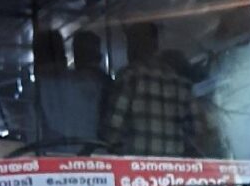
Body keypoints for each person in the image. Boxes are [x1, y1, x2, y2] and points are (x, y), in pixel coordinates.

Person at [102, 22, 219, 157]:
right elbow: (199, 134)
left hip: (134, 167)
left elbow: (112, 130)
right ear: (155, 45)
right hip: (173, 168)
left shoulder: (129, 78)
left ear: (132, 46)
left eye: (131, 43)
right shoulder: (181, 84)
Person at [32, 28, 108, 153]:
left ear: (36, 61)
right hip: (97, 159)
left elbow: (32, 137)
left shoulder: (34, 91)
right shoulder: (94, 83)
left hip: (52, 160)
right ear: (65, 57)